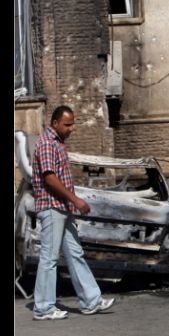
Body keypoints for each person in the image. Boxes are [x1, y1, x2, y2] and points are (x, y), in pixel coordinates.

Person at [31, 105, 116, 320]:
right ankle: (43, 308)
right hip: (52, 207)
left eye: (73, 124)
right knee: (49, 258)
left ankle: (91, 300)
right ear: (55, 123)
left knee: (75, 253)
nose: (72, 128)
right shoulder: (48, 144)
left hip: (62, 207)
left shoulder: (58, 143)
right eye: (67, 124)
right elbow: (50, 178)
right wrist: (75, 200)